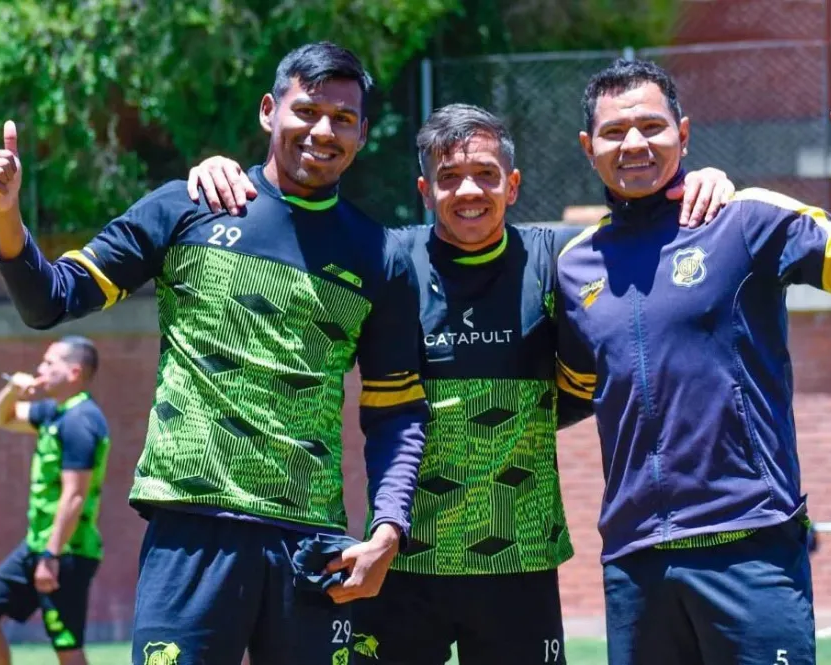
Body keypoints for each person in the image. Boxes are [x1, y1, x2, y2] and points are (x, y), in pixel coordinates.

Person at [188, 101, 735, 663]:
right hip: (398, 560)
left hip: (518, 560)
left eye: (486, 175)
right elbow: (299, 226)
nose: (469, 191)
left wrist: (699, 181)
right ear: (425, 191)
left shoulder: (556, 258)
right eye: (449, 178)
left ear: (514, 185)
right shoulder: (388, 258)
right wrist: (221, 173)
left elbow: (638, 226)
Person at [0, 42, 430, 665]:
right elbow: (52, 300)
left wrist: (388, 530)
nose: (323, 130)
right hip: (192, 531)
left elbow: (396, 412)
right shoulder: (189, 205)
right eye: (307, 110)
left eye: (343, 118)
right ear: (270, 111)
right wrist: (7, 215)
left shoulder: (381, 257)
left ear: (363, 134)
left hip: (311, 541)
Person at [554, 58, 831, 665]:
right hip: (634, 564)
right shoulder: (575, 265)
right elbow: (572, 392)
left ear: (685, 133)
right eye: (615, 133)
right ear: (588, 147)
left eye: (652, 126)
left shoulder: (745, 219)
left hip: (749, 549)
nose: (635, 143)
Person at [0, 337, 109, 665]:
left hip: (66, 551)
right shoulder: (53, 413)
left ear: (73, 373)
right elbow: (1, 416)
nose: (40, 369)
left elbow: (74, 495)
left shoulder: (81, 421)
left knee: (67, 646)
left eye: (49, 363)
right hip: (37, 545)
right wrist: (14, 390)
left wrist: (50, 555)